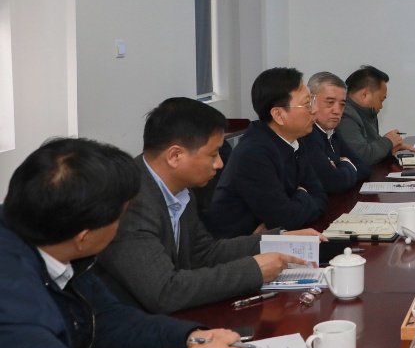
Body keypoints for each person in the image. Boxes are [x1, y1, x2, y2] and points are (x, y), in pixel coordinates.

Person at [0, 138, 249, 348]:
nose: (122, 225)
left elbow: (106, 319)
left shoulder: (50, 235)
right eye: (121, 216)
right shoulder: (12, 295)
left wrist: (189, 337)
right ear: (83, 236)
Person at [95, 97, 323, 314]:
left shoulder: (181, 191)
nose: (219, 164)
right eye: (213, 154)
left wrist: (280, 240)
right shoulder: (130, 202)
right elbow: (165, 292)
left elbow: (204, 253)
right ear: (175, 156)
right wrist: (254, 271)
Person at [205, 67, 328, 238]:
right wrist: (303, 194)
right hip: (239, 248)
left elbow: (321, 196)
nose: (314, 110)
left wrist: (298, 199)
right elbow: (286, 220)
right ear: (278, 115)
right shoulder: (254, 154)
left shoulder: (295, 141)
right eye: (307, 104)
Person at [299, 72, 371, 193]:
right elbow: (333, 183)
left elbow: (364, 169)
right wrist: (347, 164)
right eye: (330, 102)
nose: (337, 111)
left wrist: (341, 167)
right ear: (311, 101)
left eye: (342, 104)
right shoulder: (306, 135)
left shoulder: (332, 132)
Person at [338, 65, 415, 166]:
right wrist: (388, 141)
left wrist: (390, 147)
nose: (381, 106)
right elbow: (361, 157)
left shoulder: (365, 113)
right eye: (381, 100)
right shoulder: (345, 116)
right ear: (364, 94)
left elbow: (371, 146)